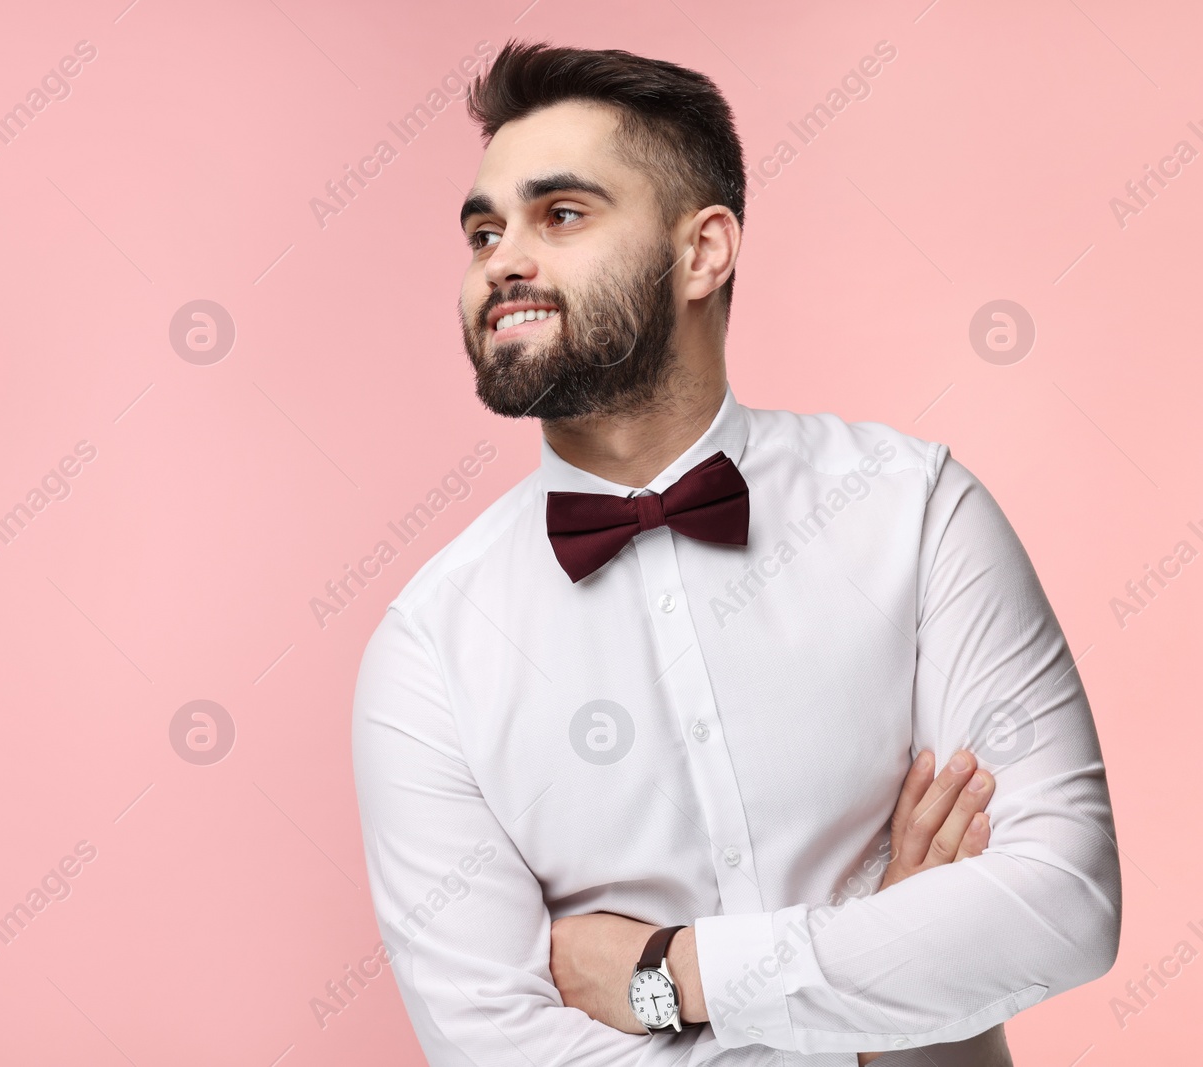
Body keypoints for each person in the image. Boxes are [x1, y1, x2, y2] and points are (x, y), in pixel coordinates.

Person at [350, 40, 1120, 1066]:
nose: (502, 259)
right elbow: (504, 1052)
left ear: (703, 251)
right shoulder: (427, 651)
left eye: (561, 214)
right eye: (483, 230)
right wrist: (889, 971)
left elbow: (1062, 902)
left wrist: (666, 975)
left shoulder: (914, 510)